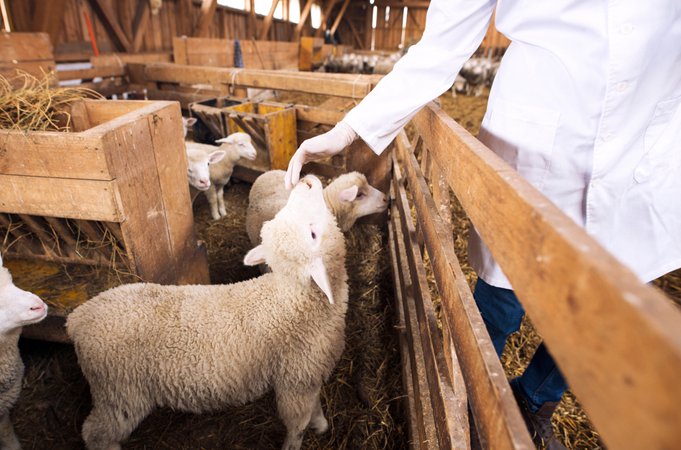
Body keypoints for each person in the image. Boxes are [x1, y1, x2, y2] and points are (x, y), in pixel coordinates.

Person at [285, 1, 681, 449]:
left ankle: (535, 401)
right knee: (503, 295)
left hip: (647, 141)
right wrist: (350, 130)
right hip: (537, 142)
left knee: (606, 312)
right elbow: (440, 46)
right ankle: (471, 395)